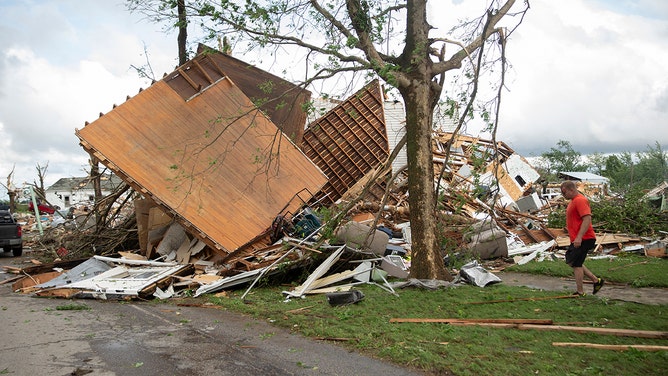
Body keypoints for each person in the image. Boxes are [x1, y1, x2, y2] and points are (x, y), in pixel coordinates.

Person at [560, 180, 604, 296]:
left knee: (576, 264)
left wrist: (579, 237)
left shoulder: (580, 200)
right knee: (571, 261)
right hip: (577, 239)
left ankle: (580, 292)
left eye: (564, 192)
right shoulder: (573, 201)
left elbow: (587, 218)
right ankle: (596, 280)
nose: (563, 195)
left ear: (571, 189)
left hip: (584, 238)